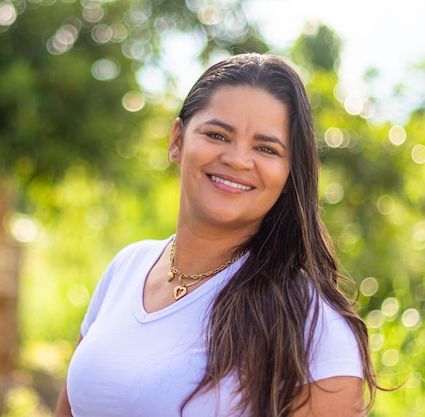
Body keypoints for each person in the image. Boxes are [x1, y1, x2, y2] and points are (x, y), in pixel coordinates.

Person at [55, 53, 381, 417]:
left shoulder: (312, 323)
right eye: (217, 134)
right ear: (177, 140)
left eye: (266, 148)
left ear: (290, 172)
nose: (238, 160)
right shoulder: (126, 267)